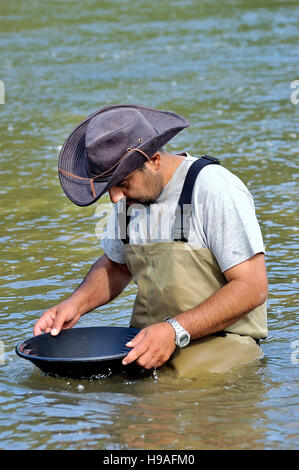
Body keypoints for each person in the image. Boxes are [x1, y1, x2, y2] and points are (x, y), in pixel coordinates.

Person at [34, 104, 268, 376]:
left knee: (155, 401)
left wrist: (174, 330)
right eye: (108, 187)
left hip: (221, 342)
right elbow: (117, 266)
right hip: (148, 341)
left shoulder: (214, 188)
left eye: (121, 182)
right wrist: (74, 305)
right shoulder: (129, 198)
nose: (115, 198)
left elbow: (252, 287)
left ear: (154, 160)